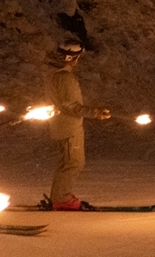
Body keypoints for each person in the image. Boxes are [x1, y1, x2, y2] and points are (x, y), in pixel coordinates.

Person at [44, 41, 111, 210]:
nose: (77, 61)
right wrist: (95, 112)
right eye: (76, 57)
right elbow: (70, 106)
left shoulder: (54, 74)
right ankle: (61, 198)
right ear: (71, 58)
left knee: (66, 162)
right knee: (74, 163)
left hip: (61, 125)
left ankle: (59, 196)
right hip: (68, 126)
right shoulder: (65, 78)